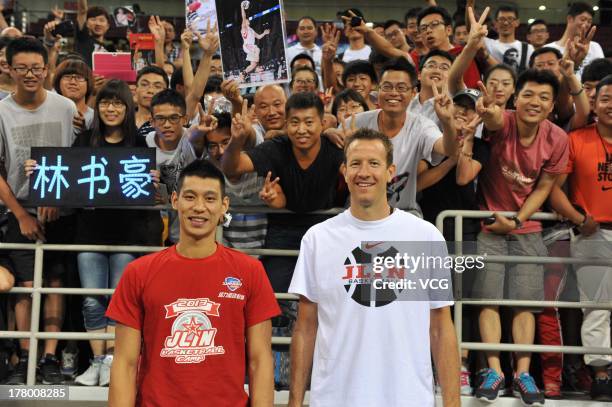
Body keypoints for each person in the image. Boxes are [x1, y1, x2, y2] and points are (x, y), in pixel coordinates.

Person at [288, 128, 459, 407]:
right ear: (344, 171)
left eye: (374, 163)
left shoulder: (426, 236)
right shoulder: (318, 239)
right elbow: (305, 327)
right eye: (355, 163)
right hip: (335, 398)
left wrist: (453, 404)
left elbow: (441, 328)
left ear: (391, 171)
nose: (363, 172)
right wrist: (295, 402)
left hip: (407, 398)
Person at [107, 159, 280, 406]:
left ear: (224, 206)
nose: (199, 207)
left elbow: (260, 360)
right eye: (190, 197)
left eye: (210, 199)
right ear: (175, 200)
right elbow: (125, 363)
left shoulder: (250, 271)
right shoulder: (138, 273)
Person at [472, 69, 568, 406]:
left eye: (544, 97)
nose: (535, 102)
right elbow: (493, 120)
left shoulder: (558, 138)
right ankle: (494, 370)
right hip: (488, 224)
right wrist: (489, 109)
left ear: (553, 105)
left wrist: (518, 220)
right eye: (528, 94)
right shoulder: (504, 120)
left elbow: (545, 186)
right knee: (488, 299)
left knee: (525, 303)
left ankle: (523, 373)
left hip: (525, 228)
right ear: (516, 97)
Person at [0, 36, 78, 385]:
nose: (29, 74)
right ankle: (25, 356)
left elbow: (80, 162)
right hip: (20, 208)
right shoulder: (1, 111)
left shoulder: (65, 107)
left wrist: (60, 199)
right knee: (26, 287)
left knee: (55, 284)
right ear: (9, 69)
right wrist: (20, 214)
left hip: (62, 210)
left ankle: (49, 357)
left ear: (47, 70)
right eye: (22, 68)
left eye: (36, 68)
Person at [222, 92, 346, 292]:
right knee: (275, 292)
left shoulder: (335, 148)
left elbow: (356, 174)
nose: (302, 130)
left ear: (322, 123)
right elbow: (231, 168)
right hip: (283, 231)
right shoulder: (275, 148)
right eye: (295, 122)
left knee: (332, 291)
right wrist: (237, 140)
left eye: (309, 122)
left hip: (326, 228)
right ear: (286, 124)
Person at [548, 74, 612, 402]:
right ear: (594, 103)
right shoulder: (576, 139)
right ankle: (601, 374)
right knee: (596, 307)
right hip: (594, 233)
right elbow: (554, 190)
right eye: (605, 99)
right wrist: (577, 218)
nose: (611, 105)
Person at [344, 58, 457, 216]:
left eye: (401, 87)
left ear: (413, 93)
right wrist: (329, 133)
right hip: (360, 211)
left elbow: (448, 149)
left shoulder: (422, 126)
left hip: (404, 212)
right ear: (378, 91)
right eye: (387, 87)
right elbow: (329, 139)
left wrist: (447, 121)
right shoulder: (358, 122)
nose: (393, 93)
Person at [544, 2, 603, 80]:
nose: (586, 24)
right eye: (583, 19)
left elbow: (602, 76)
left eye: (589, 21)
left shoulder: (595, 47)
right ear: (570, 19)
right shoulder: (548, 48)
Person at [484, 5, 533, 75]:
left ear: (517, 22)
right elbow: (470, 30)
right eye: (502, 19)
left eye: (510, 19)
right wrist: (469, 6)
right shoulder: (487, 43)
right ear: (495, 23)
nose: (506, 23)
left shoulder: (528, 48)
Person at [52, 58, 95, 132]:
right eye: (67, 77)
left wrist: (85, 133)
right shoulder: (49, 114)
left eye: (79, 77)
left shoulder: (96, 118)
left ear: (88, 83)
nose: (73, 82)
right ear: (58, 82)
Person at [75, 0, 116, 68]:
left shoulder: (109, 50)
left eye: (101, 20)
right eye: (93, 19)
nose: (97, 23)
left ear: (108, 26)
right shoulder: (83, 38)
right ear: (87, 23)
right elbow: (82, 10)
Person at [134, 65, 169, 137]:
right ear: (136, 89)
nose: (150, 91)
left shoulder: (169, 124)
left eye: (157, 86)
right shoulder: (123, 117)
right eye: (144, 84)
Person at [240, 0, 270, 79]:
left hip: (251, 46)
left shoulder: (251, 30)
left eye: (247, 20)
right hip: (248, 46)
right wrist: (242, 7)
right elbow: (243, 16)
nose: (246, 20)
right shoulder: (244, 27)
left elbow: (259, 37)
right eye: (245, 21)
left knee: (253, 64)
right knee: (257, 49)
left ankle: (243, 74)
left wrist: (264, 33)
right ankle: (257, 68)